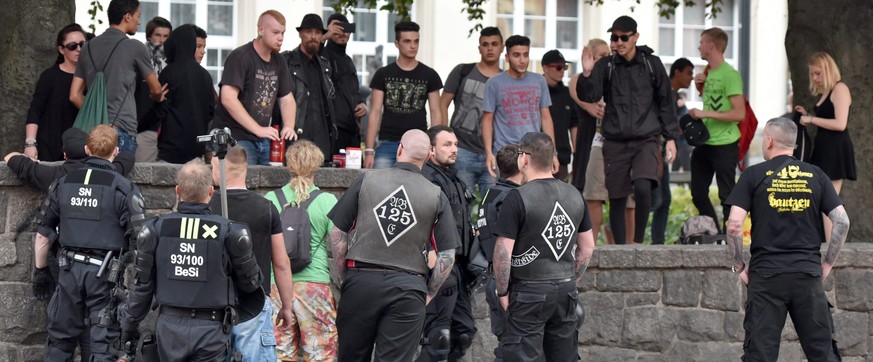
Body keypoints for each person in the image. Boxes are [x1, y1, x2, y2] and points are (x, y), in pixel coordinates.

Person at [328, 129, 459, 361]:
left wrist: (343, 277)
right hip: (409, 288)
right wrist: (429, 292)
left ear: (399, 149)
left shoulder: (367, 179)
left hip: (361, 280)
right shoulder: (436, 195)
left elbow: (338, 233)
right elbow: (447, 255)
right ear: (428, 156)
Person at [725, 117, 849, 361]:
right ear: (793, 145)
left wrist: (738, 264)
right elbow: (842, 221)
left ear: (769, 141)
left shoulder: (753, 175)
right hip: (807, 274)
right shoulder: (816, 175)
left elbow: (735, 225)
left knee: (760, 354)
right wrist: (827, 263)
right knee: (822, 353)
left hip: (766, 276)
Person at [119, 160, 264, 361]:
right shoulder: (230, 232)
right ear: (211, 192)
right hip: (212, 330)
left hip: (169, 329)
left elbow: (142, 287)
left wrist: (127, 326)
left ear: (177, 190)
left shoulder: (155, 230)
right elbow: (251, 284)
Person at [34, 125, 144, 362]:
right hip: (104, 276)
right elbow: (141, 241)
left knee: (59, 341)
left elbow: (43, 235)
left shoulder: (63, 183)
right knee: (104, 344)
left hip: (68, 271)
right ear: (115, 151)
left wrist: (40, 271)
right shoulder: (123, 188)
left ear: (87, 149)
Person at [492, 132, 595, 361]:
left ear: (524, 159)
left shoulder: (517, 197)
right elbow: (587, 247)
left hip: (528, 291)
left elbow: (502, 252)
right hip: (565, 289)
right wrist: (571, 278)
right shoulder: (575, 195)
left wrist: (502, 291)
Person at [577, 15, 680, 245]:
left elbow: (666, 102)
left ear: (636, 37)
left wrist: (671, 137)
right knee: (617, 197)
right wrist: (586, 73)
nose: (618, 42)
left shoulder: (652, 64)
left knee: (643, 187)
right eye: (614, 37)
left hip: (647, 139)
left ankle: (637, 243)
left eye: (624, 37)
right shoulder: (607, 65)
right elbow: (590, 96)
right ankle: (621, 249)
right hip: (614, 141)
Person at [207, 146, 294, 361]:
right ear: (244, 169)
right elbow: (281, 263)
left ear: (218, 167)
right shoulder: (266, 207)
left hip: (211, 305)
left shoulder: (206, 206)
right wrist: (287, 306)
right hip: (253, 303)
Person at [264, 141, 339, 361]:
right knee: (320, 352)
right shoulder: (327, 201)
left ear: (288, 164)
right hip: (315, 285)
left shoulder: (270, 200)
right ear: (317, 166)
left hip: (277, 284)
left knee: (279, 353)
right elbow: (337, 246)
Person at [70, 0, 167, 155]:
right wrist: (157, 97)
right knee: (117, 178)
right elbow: (155, 88)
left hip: (92, 133)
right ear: (127, 17)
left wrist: (98, 117)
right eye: (138, 16)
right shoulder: (135, 47)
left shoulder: (87, 47)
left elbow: (74, 95)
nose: (139, 21)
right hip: (121, 130)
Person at [418, 125, 476, 362]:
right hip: (438, 266)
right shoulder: (425, 179)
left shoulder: (454, 178)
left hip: (458, 267)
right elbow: (420, 223)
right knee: (438, 337)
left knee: (463, 333)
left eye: (455, 145)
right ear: (430, 150)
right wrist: (432, 256)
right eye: (447, 145)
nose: (454, 150)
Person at [212, 10, 297, 165]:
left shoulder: (279, 60)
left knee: (264, 186)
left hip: (263, 138)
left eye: (283, 33)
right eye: (276, 32)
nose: (280, 38)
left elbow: (287, 99)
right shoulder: (241, 56)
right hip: (235, 136)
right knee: (241, 185)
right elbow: (227, 98)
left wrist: (289, 126)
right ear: (260, 30)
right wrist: (258, 129)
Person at [688, 27, 745, 232]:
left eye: (701, 42)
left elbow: (739, 114)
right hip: (706, 142)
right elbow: (715, 103)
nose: (699, 46)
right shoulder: (708, 72)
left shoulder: (730, 75)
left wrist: (705, 114)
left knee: (727, 195)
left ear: (711, 45)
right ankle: (716, 234)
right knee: (697, 193)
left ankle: (730, 242)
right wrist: (700, 87)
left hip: (725, 143)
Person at [364, 21, 443, 169]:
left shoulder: (429, 75)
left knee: (416, 189)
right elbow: (374, 112)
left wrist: (434, 147)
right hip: (388, 141)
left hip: (418, 142)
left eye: (416, 41)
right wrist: (369, 151)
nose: (413, 46)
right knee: (381, 188)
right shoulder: (383, 74)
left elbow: (435, 112)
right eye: (407, 41)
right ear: (397, 43)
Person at [795, 51, 856, 242]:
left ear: (828, 70)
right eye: (812, 74)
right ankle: (830, 244)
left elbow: (840, 124)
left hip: (835, 149)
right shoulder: (827, 91)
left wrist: (811, 119)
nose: (814, 78)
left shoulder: (840, 89)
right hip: (824, 149)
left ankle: (833, 246)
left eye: (818, 73)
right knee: (824, 200)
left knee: (828, 201)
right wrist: (806, 114)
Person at [439, 26, 504, 197]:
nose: (490, 48)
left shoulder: (505, 80)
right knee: (460, 204)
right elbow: (442, 103)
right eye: (485, 44)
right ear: (479, 48)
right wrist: (445, 138)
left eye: (494, 44)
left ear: (502, 47)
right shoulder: (463, 71)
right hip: (462, 151)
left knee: (493, 207)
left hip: (494, 153)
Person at [475, 144, 524, 361]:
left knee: (507, 344)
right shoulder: (512, 198)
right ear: (523, 165)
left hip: (494, 278)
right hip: (509, 280)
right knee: (513, 348)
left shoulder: (489, 195)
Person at [482, 35, 555, 178]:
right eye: (516, 55)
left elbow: (546, 118)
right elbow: (487, 120)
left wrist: (553, 153)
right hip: (506, 152)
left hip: (534, 152)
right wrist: (489, 153)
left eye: (525, 55)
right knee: (506, 196)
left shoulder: (539, 81)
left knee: (532, 197)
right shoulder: (494, 83)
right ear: (507, 57)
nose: (522, 60)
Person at [276, 13, 337, 160]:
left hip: (322, 138)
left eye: (317, 32)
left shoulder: (325, 65)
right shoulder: (286, 61)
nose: (313, 36)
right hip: (295, 135)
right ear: (300, 34)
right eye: (309, 32)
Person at [24, 23, 86, 162]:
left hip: (81, 151)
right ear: (61, 49)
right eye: (72, 46)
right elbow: (35, 110)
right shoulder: (49, 76)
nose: (79, 49)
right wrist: (30, 143)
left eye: (83, 44)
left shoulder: (91, 77)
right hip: (50, 150)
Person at [154, 24, 216, 164]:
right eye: (198, 46)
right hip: (195, 151)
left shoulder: (170, 72)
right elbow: (211, 111)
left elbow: (160, 109)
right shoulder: (205, 75)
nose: (203, 51)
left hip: (170, 150)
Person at [651, 57, 694, 244]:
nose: (691, 78)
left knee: (663, 199)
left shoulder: (674, 95)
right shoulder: (665, 92)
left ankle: (657, 243)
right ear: (677, 72)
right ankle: (653, 243)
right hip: (655, 148)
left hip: (662, 148)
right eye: (689, 73)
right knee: (656, 199)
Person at [322, 13, 368, 153]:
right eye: (337, 28)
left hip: (352, 130)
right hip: (331, 130)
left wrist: (362, 104)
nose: (342, 32)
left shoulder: (348, 60)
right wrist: (325, 36)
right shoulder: (322, 54)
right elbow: (308, 53)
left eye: (346, 28)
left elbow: (353, 89)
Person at [569, 38, 609, 193]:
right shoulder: (578, 79)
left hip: (610, 141)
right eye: (602, 55)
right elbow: (579, 98)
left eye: (609, 54)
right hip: (588, 139)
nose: (607, 58)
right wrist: (587, 106)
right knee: (584, 188)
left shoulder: (613, 78)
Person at [135, 16, 173, 163]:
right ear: (149, 36)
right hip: (142, 124)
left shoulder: (173, 62)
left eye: (166, 36)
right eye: (158, 35)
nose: (162, 40)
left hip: (165, 125)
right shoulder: (139, 57)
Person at [542, 49, 579, 181]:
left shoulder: (567, 94)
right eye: (558, 67)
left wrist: (577, 154)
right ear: (546, 68)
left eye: (565, 67)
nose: (562, 70)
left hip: (562, 158)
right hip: (537, 156)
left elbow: (574, 125)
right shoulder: (536, 90)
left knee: (559, 199)